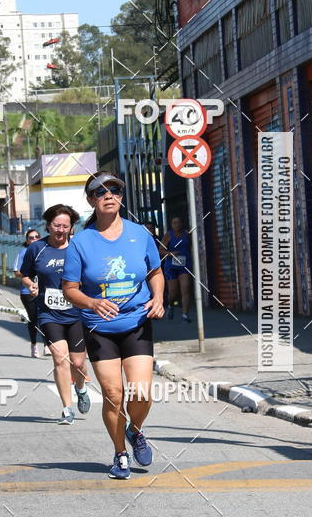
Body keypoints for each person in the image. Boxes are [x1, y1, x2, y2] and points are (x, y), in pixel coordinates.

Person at [63, 172, 164, 479]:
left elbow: (155, 272)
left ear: (121, 196)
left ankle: (135, 430)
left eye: (115, 190)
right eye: (100, 191)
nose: (108, 195)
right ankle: (120, 453)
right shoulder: (80, 243)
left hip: (137, 321)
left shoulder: (140, 234)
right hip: (99, 327)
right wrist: (92, 303)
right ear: (91, 200)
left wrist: (158, 297)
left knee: (142, 391)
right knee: (113, 394)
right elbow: (70, 289)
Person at [20, 205, 91, 424]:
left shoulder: (79, 247)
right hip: (49, 313)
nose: (60, 230)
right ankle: (67, 408)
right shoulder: (37, 249)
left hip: (77, 313)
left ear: (72, 228)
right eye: (56, 225)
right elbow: (25, 273)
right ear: (48, 225)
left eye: (65, 226)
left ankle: (80, 388)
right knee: (60, 358)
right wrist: (31, 284)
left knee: (78, 363)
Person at [14, 228, 41, 357]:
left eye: (36, 237)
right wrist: (30, 274)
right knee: (34, 319)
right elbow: (17, 272)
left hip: (45, 290)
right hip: (27, 291)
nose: (34, 239)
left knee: (46, 318)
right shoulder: (23, 253)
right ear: (27, 240)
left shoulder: (45, 251)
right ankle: (34, 344)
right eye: (31, 237)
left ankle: (48, 345)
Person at [160, 215, 192, 322]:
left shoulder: (187, 234)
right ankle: (170, 306)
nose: (177, 225)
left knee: (185, 289)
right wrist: (171, 254)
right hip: (171, 266)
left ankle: (185, 315)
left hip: (184, 265)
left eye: (178, 222)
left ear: (181, 223)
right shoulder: (168, 235)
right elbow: (161, 250)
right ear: (171, 224)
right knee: (173, 292)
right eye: (174, 223)